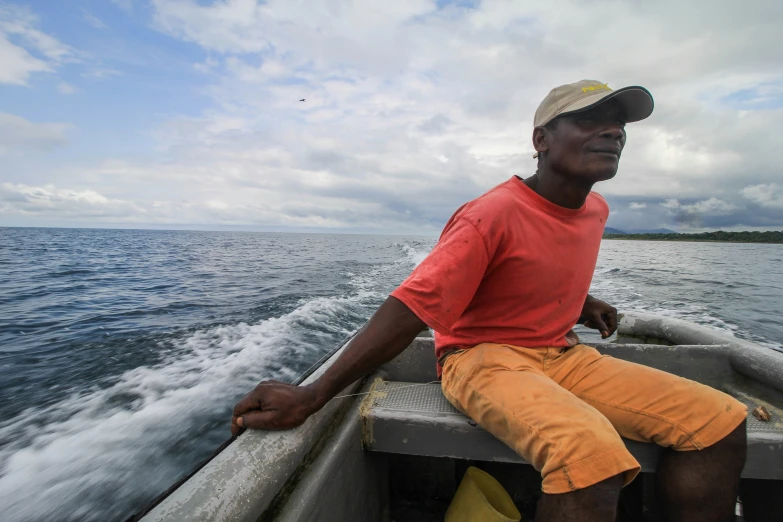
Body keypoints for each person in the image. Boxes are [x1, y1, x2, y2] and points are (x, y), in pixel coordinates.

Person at [231, 80, 748, 522]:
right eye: (592, 120)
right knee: (589, 454)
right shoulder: (489, 215)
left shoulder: (595, 209)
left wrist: (582, 299)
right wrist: (314, 394)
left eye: (618, 126)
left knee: (719, 421)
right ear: (541, 140)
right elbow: (411, 307)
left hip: (561, 355)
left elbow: (540, 258)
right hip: (480, 359)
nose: (614, 132)